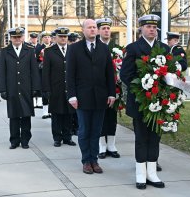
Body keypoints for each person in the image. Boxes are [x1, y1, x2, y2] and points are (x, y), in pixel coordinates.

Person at [120, 14, 170, 189]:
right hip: (140, 101)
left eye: (154, 27)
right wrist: (142, 88)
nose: (152, 29)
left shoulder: (163, 48)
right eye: (148, 27)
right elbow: (125, 74)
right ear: (140, 28)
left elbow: (169, 72)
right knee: (141, 138)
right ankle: (140, 174)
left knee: (155, 137)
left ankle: (152, 173)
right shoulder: (133, 48)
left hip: (159, 101)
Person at [66, 19, 116, 174]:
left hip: (100, 97)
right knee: (84, 130)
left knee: (96, 131)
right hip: (82, 97)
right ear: (83, 30)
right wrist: (72, 96)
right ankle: (86, 161)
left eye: (95, 27)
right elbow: (70, 74)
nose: (93, 30)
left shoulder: (103, 48)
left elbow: (109, 73)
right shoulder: (74, 49)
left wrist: (111, 93)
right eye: (90, 27)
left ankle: (94, 160)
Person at [0, 27, 41, 149]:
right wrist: (2, 89)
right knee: (14, 115)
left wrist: (35, 88)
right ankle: (14, 140)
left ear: (22, 37)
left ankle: (25, 140)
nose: (17, 39)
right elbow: (1, 71)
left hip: (26, 88)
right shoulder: (5, 51)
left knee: (26, 115)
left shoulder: (29, 50)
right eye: (14, 37)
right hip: (11, 88)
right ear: (11, 38)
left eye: (19, 37)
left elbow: (34, 70)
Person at [42, 27, 77, 147]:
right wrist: (46, 89)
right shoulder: (49, 51)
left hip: (70, 88)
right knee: (56, 114)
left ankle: (67, 137)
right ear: (55, 37)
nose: (63, 38)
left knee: (69, 114)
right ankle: (57, 138)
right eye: (61, 36)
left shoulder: (73, 50)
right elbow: (46, 72)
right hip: (55, 88)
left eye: (65, 36)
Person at [96, 18, 120, 159]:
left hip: (114, 88)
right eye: (103, 28)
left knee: (112, 117)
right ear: (98, 30)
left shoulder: (116, 48)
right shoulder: (95, 46)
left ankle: (111, 145)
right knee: (101, 117)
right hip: (99, 88)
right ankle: (101, 146)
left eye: (108, 28)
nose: (106, 31)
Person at [35, 31, 52, 118]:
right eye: (45, 37)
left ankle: (51, 111)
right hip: (42, 72)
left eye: (49, 37)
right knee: (44, 92)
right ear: (42, 39)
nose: (47, 39)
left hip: (52, 73)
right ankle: (45, 112)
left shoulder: (53, 47)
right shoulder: (38, 48)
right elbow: (35, 61)